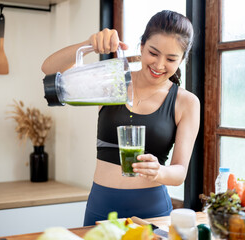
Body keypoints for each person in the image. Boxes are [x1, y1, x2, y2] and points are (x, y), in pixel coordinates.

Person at [41, 10, 200, 226]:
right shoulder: (113, 81)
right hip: (101, 208)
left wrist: (159, 171)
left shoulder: (186, 102)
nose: (160, 65)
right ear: (141, 46)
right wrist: (89, 44)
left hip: (152, 212)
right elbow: (49, 69)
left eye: (171, 59)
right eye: (153, 53)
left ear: (182, 59)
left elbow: (179, 172)